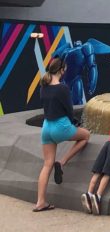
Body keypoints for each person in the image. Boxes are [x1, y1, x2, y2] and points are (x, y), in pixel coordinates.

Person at [34, 55, 91, 212]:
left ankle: (40, 202)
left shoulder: (43, 87)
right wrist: (75, 123)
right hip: (61, 126)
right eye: (65, 69)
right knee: (86, 136)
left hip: (46, 127)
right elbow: (69, 110)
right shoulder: (63, 88)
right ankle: (63, 161)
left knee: (47, 164)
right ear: (61, 70)